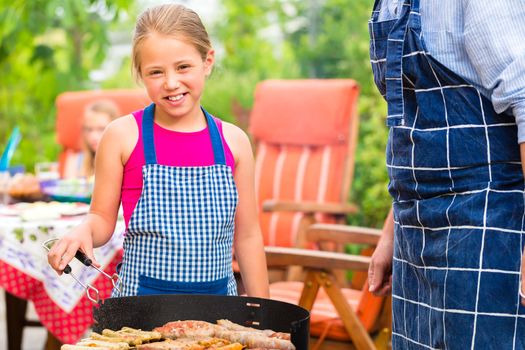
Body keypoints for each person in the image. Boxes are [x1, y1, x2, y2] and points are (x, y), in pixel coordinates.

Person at [48, 3, 270, 298]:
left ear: (207, 61)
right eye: (155, 72)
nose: (171, 83)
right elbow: (101, 218)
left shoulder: (234, 141)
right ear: (140, 73)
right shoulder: (122, 136)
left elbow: (248, 237)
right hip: (139, 311)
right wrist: (83, 231)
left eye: (183, 67)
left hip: (219, 312)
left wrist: (262, 317)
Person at [367, 0, 525, 348]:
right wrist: (390, 232)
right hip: (414, 231)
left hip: (486, 223)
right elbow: (415, 124)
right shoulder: (387, 6)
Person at [63, 99, 120, 179]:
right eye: (89, 129)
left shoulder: (124, 162)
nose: (94, 136)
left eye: (101, 129)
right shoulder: (75, 161)